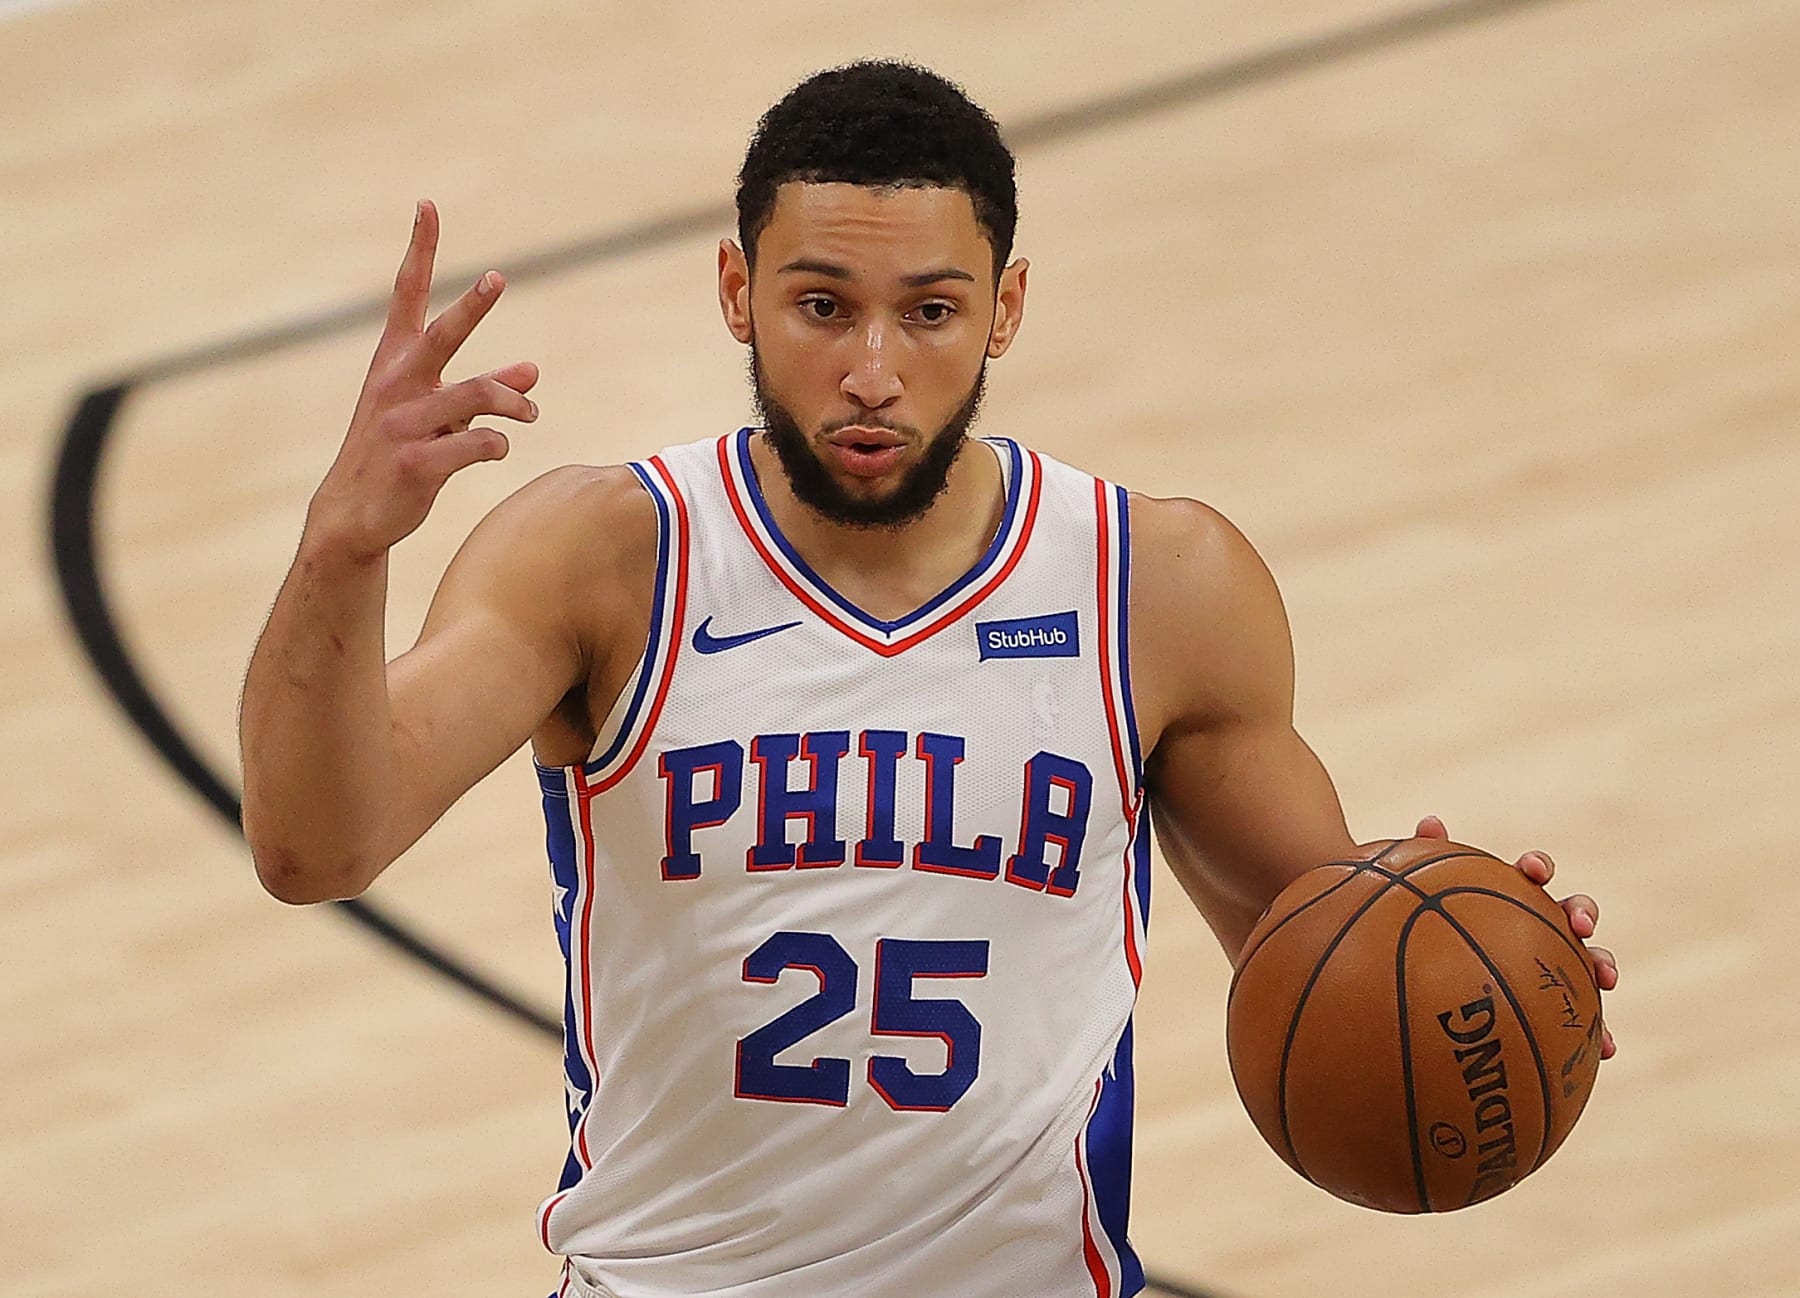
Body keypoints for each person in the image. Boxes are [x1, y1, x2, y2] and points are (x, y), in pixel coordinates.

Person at [238, 61, 1618, 1298]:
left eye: (932, 310)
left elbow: (1324, 939)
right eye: (822, 306)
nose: (873, 373)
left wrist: (1492, 959)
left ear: (1007, 306)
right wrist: (340, 550)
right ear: (736, 291)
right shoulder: (605, 559)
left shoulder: (1156, 589)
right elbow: (315, 841)